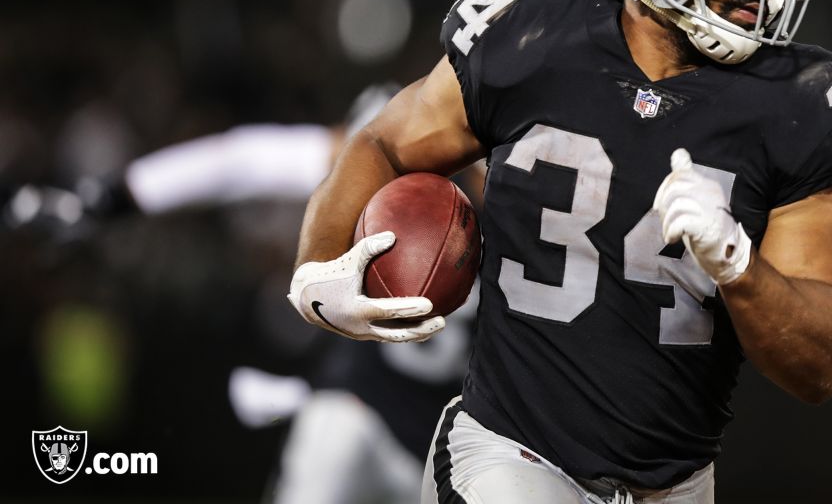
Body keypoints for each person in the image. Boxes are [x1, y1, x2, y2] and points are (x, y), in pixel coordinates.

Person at [288, 0, 832, 503]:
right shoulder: (533, 34)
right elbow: (382, 143)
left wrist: (739, 267)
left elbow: (824, 364)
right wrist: (316, 269)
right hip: (511, 454)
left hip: (678, 485)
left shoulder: (804, 101)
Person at [7, 83, 479, 504]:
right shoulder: (509, 178)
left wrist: (108, 198)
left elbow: (244, 161)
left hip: (408, 431)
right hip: (423, 434)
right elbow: (247, 162)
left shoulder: (404, 149)